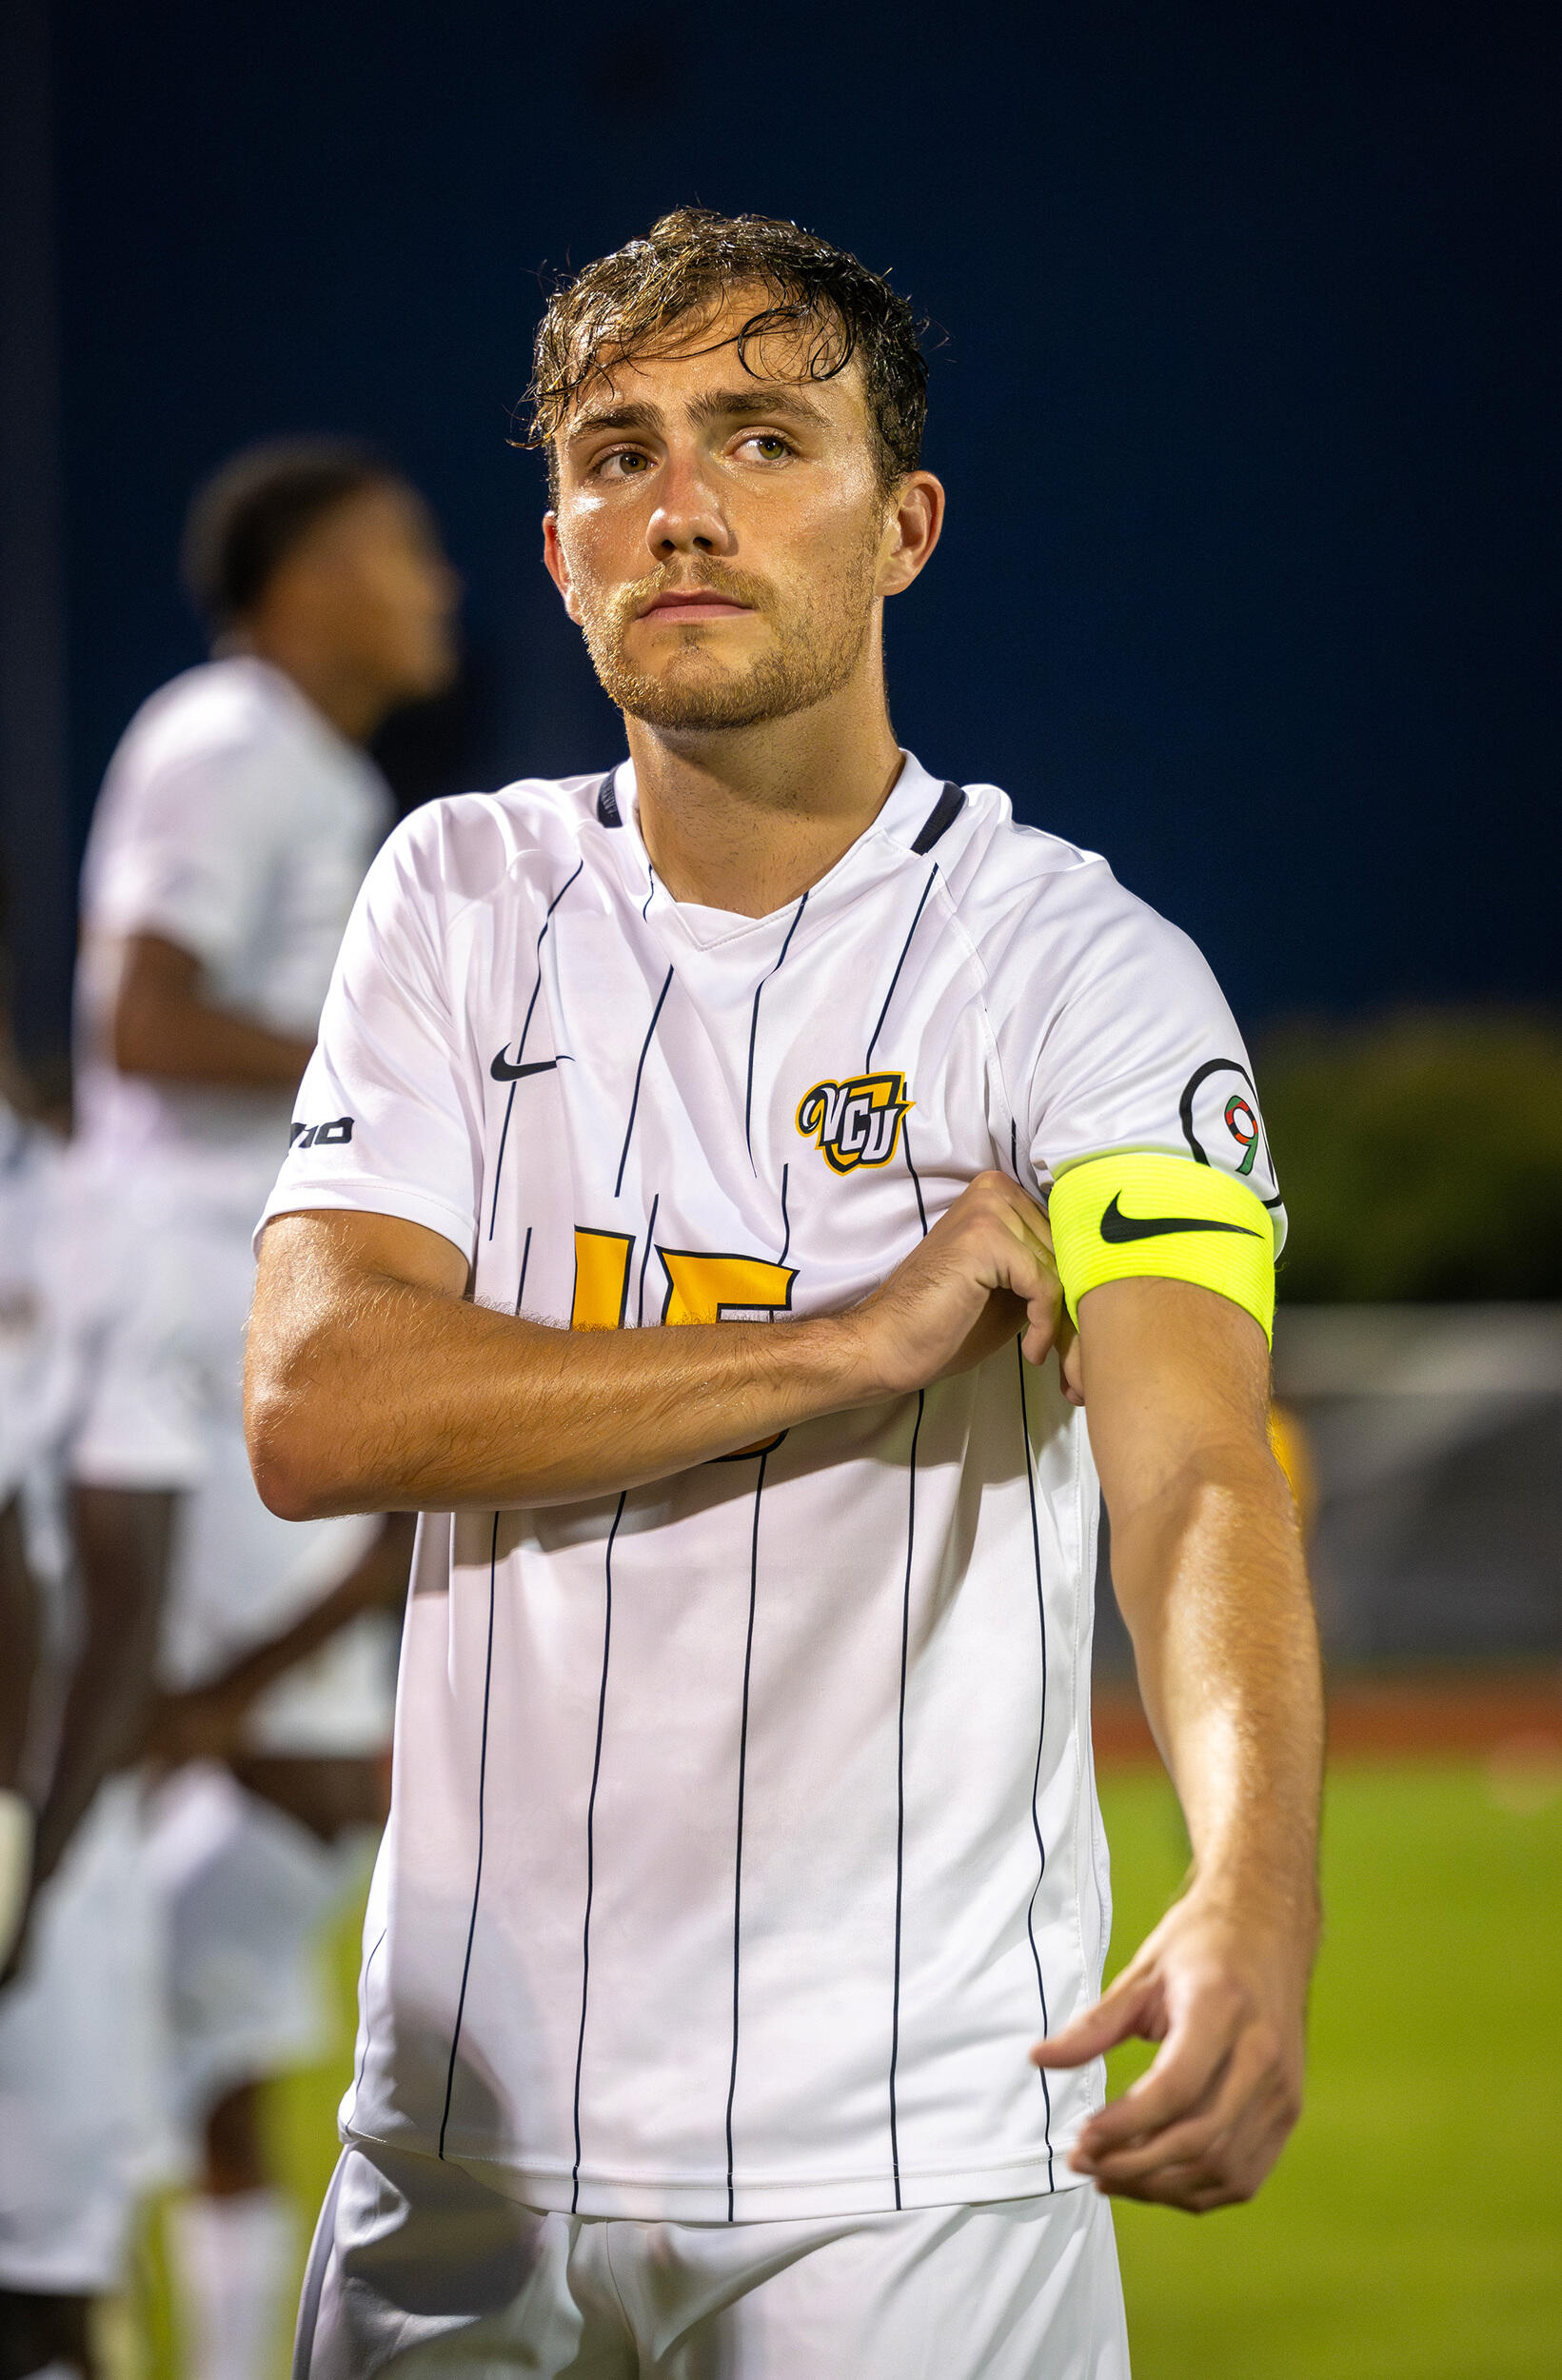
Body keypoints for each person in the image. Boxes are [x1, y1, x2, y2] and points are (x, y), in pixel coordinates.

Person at [247, 211, 1324, 2380]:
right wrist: (844, 1341)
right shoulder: (453, 896)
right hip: (455, 2157)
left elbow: (1191, 1473)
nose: (681, 506)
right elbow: (318, 1402)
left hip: (912, 2165)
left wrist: (1249, 1879)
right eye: (614, 455)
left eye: (761, 437)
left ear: (900, 524)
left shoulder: (1080, 971)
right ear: (557, 549)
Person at [2, 442, 456, 2380]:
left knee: (214, 1864)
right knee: (197, 1786)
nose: (431, 580)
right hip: (185, 1311)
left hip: (239, 1289)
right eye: (395, 547)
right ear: (294, 581)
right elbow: (141, 1022)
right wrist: (410, 1069)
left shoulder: (331, 777)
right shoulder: (223, 733)